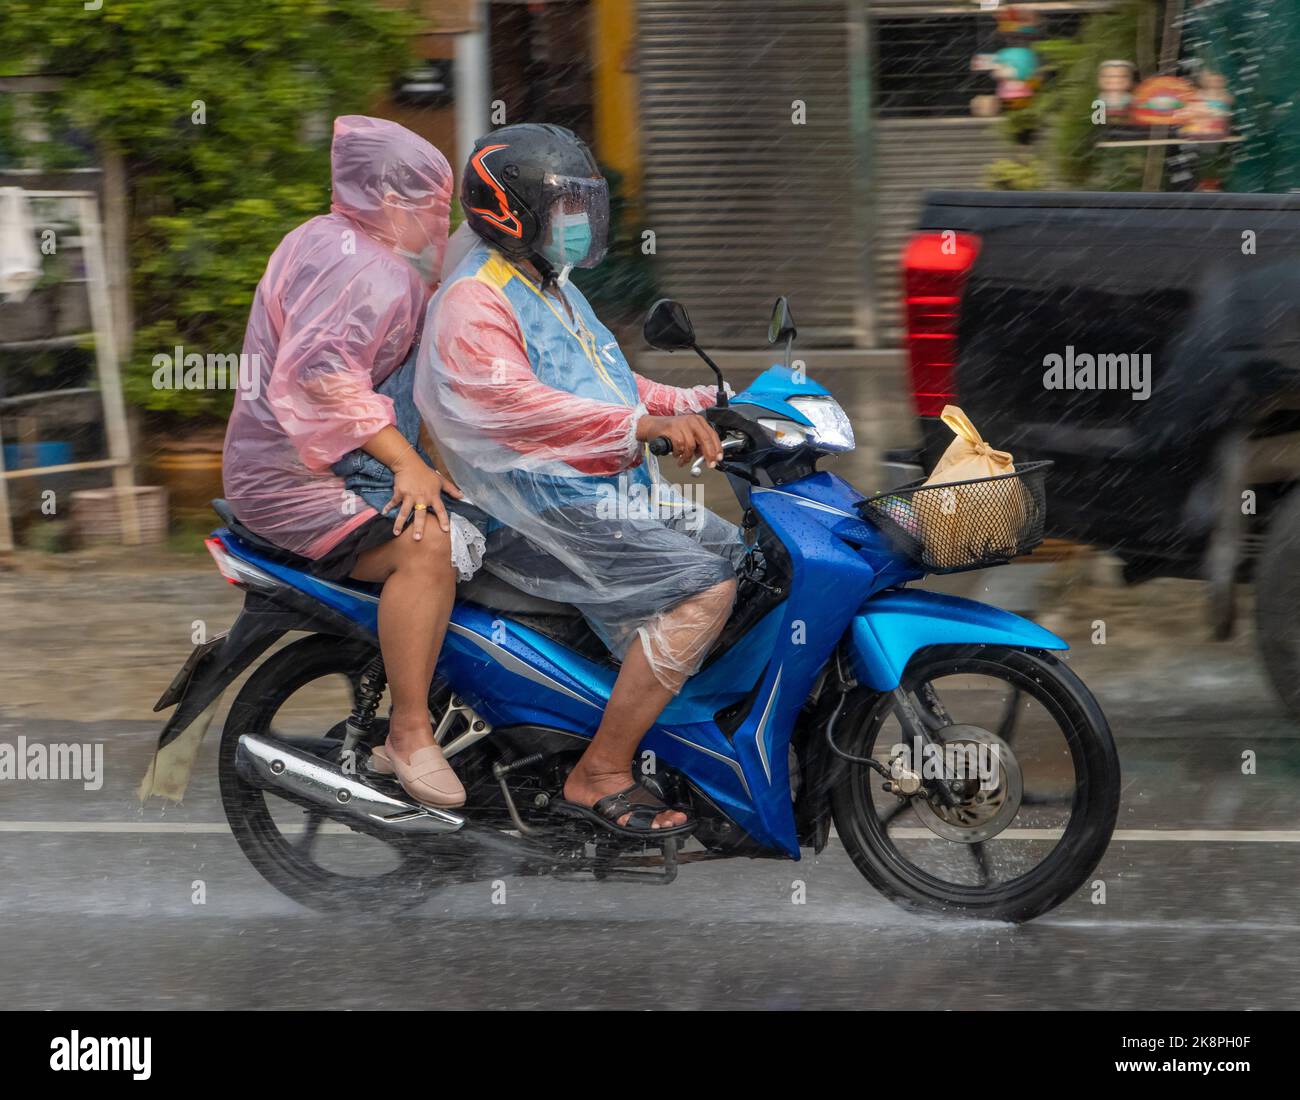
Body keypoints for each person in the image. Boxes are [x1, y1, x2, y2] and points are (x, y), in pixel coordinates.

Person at [414, 123, 745, 837]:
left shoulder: (550, 286)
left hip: (598, 491)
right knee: (704, 588)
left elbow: (611, 385)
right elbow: (519, 408)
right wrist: (641, 429)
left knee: (746, 561)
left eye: (580, 204)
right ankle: (601, 771)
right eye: (562, 205)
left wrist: (706, 404)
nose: (578, 220)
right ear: (512, 212)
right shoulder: (476, 300)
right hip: (536, 506)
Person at [222, 115, 476, 809]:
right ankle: (410, 733)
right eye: (429, 200)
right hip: (293, 481)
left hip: (324, 463)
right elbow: (324, 381)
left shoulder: (337, 242)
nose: (441, 215)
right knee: (427, 546)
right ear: (389, 201)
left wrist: (422, 457)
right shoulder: (361, 266)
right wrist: (408, 465)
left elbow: (382, 379)